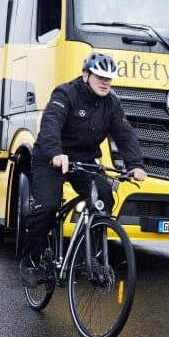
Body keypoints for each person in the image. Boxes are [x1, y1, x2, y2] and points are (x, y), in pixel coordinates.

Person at [20, 52, 147, 287]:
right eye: (100, 76)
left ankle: (95, 258)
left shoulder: (112, 103)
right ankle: (29, 261)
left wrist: (136, 165)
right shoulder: (66, 93)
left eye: (109, 78)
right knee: (47, 206)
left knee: (104, 195)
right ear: (86, 75)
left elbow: (125, 135)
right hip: (51, 157)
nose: (105, 82)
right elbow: (51, 124)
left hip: (84, 161)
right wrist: (56, 153)